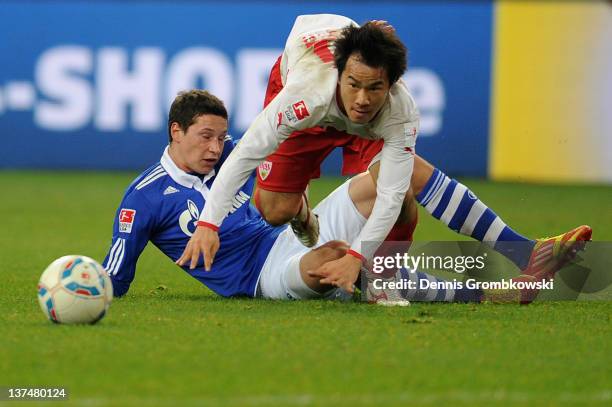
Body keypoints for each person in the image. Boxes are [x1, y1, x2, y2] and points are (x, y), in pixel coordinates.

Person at [177, 14, 592, 291]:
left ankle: (523, 251)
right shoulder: (302, 97)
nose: (361, 100)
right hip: (310, 101)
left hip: (364, 100)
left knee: (404, 178)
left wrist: (358, 257)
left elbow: (392, 195)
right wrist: (208, 223)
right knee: (274, 210)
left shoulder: (399, 110)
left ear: (392, 85)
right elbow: (246, 153)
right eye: (354, 84)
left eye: (375, 87)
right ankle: (304, 210)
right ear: (341, 74)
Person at [104, 89, 589, 304]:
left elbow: (287, 181)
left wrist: (300, 211)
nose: (216, 148)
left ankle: (526, 251)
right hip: (261, 276)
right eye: (205, 137)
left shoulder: (234, 153)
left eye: (220, 137)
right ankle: (493, 294)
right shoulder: (143, 198)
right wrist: (85, 286)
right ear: (175, 131)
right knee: (334, 259)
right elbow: (115, 276)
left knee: (397, 174)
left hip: (287, 236)